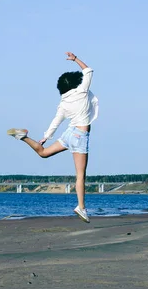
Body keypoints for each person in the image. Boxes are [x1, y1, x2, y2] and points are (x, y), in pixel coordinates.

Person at [7, 52, 99, 223]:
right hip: (80, 136)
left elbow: (55, 123)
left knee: (43, 152)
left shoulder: (63, 103)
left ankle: (23, 137)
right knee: (80, 175)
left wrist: (45, 137)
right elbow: (89, 71)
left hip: (70, 133)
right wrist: (75, 59)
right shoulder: (82, 91)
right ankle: (81, 207)